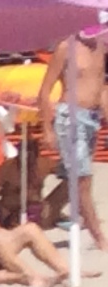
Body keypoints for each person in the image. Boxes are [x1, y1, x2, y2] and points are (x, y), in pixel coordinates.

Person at [37, 29, 104, 249]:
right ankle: (99, 238)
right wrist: (47, 128)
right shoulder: (66, 48)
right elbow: (44, 92)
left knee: (79, 179)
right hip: (70, 116)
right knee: (82, 180)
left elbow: (100, 86)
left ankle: (52, 214)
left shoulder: (100, 46)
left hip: (92, 117)